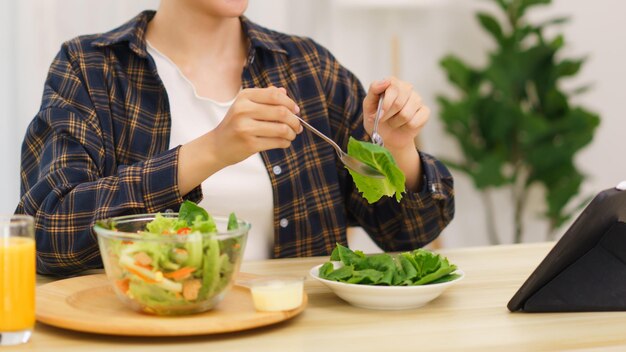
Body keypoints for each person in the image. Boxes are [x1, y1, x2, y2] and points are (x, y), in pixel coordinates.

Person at [16, 0, 454, 276]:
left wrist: (397, 148)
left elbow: (410, 234)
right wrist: (210, 151)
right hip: (151, 335)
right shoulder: (91, 67)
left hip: (303, 334)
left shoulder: (308, 67)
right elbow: (47, 236)